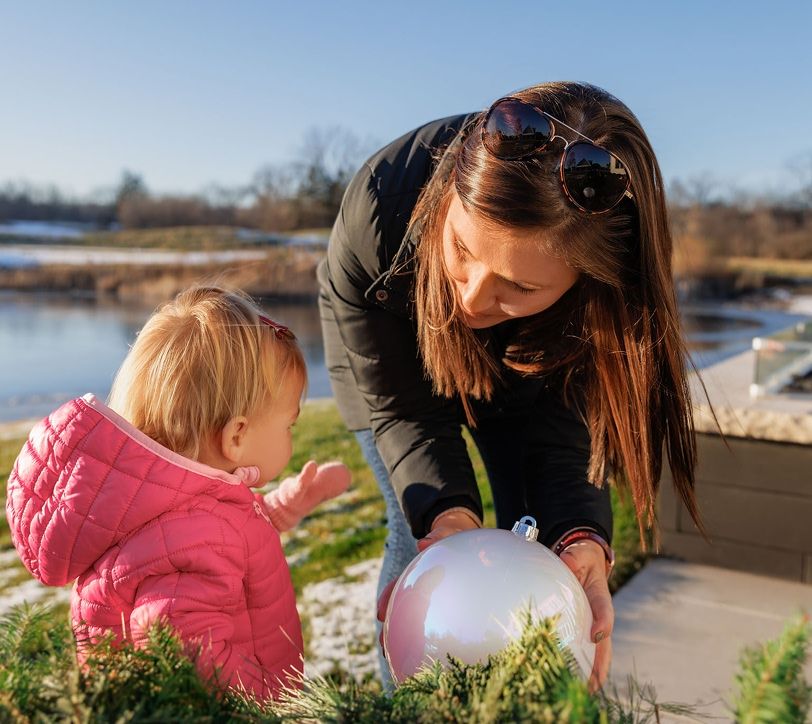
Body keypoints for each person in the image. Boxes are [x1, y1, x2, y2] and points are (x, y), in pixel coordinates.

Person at [317, 81, 703, 691]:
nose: (469, 298)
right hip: (388, 364)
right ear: (448, 199)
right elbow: (403, 410)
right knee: (417, 521)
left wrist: (579, 536)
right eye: (463, 249)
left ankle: (537, 693)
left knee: (546, 539)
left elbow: (560, 440)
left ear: (586, 282)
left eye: (519, 287)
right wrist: (446, 521)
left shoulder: (594, 301)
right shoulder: (378, 204)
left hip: (523, 374)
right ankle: (410, 695)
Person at [6, 285, 351, 700]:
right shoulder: (196, 542)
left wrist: (281, 507)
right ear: (236, 437)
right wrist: (280, 708)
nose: (291, 435)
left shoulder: (169, 503)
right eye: (288, 425)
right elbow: (194, 662)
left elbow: (216, 531)